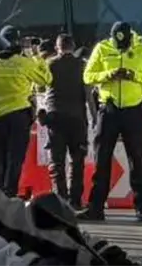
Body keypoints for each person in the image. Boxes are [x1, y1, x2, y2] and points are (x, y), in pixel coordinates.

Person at [0, 0, 142, 266]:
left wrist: (86, 248)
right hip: (22, 119)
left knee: (6, 173)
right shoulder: (29, 63)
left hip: (5, 121)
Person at [80, 21, 142, 223]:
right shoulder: (102, 48)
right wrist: (108, 74)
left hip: (133, 110)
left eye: (124, 45)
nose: (120, 47)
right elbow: (87, 76)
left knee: (137, 158)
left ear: (130, 39)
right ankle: (96, 207)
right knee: (102, 159)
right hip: (108, 109)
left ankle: (141, 207)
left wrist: (133, 75)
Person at [0, 25, 52, 196]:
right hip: (19, 117)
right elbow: (46, 79)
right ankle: (10, 192)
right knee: (15, 158)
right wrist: (37, 56)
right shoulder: (24, 63)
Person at [40, 34, 89, 210]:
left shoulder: (50, 64)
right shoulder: (82, 65)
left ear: (57, 47)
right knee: (77, 160)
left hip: (56, 117)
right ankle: (75, 200)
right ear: (73, 46)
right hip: (77, 118)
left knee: (57, 160)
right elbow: (88, 93)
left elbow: (40, 86)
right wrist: (93, 116)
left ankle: (60, 199)